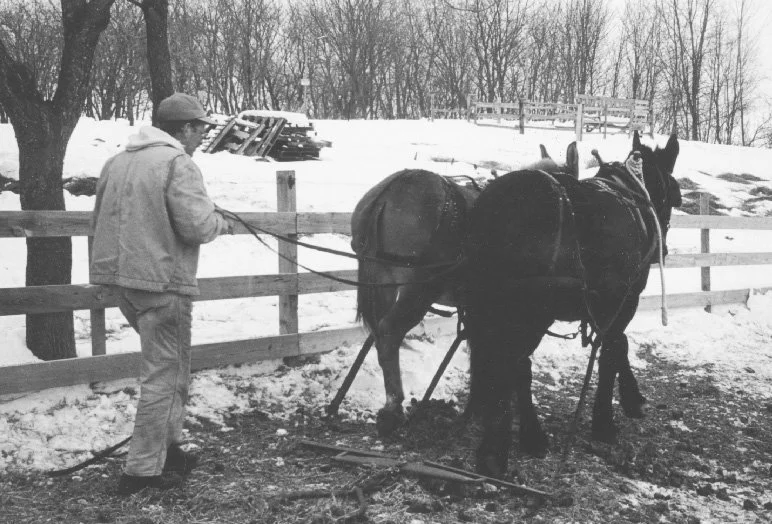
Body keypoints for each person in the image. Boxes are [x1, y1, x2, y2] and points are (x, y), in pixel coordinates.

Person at [89, 93, 236, 495]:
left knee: (171, 369)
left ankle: (167, 452)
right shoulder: (177, 164)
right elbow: (197, 228)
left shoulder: (117, 162)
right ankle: (139, 473)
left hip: (124, 283)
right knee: (164, 374)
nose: (201, 136)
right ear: (184, 128)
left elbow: (100, 218)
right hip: (162, 284)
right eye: (199, 129)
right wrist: (220, 221)